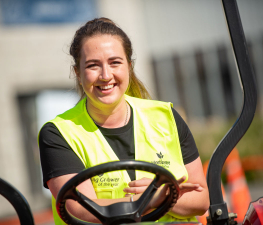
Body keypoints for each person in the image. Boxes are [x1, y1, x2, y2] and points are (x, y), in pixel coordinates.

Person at [39, 17, 209, 224]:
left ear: (128, 66)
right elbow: (78, 208)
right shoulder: (59, 133)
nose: (105, 75)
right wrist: (152, 198)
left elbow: (201, 199)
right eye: (93, 65)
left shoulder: (166, 117)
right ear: (78, 72)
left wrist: (160, 198)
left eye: (115, 63)